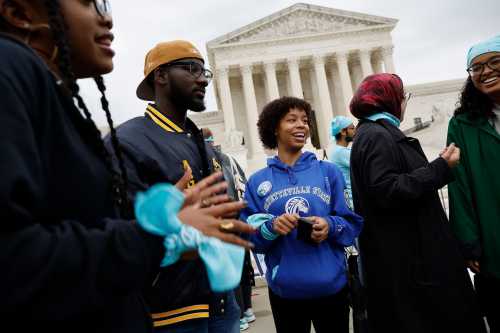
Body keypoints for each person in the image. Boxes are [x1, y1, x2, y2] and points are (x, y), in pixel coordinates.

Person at [0, 1, 253, 332]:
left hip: (209, 304)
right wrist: (162, 234)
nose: (106, 18)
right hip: (172, 310)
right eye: (88, 2)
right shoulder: (10, 66)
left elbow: (86, 224)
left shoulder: (53, 95)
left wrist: (170, 224)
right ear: (20, 13)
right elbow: (15, 256)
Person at [106, 41, 241, 333]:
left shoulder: (201, 143)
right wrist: (168, 217)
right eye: (191, 68)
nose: (203, 78)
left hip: (222, 304)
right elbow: (114, 230)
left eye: (204, 70)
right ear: (161, 76)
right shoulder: (128, 142)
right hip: (170, 310)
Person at [349, 73, 486, 333]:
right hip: (412, 264)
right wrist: (440, 168)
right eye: (403, 97)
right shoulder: (376, 135)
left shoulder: (374, 133)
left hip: (409, 260)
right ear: (387, 99)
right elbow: (387, 189)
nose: (404, 104)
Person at [241, 96, 363, 333]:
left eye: (305, 120)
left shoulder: (329, 172)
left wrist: (329, 225)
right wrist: (271, 228)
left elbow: (350, 223)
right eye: (292, 120)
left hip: (332, 288)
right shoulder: (258, 182)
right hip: (285, 293)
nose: (302, 125)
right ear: (274, 128)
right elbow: (247, 236)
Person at [447, 35, 500, 332]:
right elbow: (460, 186)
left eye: (495, 61)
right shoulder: (463, 124)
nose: (485, 71)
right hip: (494, 246)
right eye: (476, 67)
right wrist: (468, 245)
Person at [201, 128, 256, 331]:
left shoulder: (207, 158)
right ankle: (246, 309)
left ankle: (242, 312)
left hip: (220, 220)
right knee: (241, 267)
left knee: (231, 269)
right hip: (235, 217)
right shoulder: (227, 159)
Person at [329, 116, 356, 207]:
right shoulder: (341, 152)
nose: (355, 131)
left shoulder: (335, 149)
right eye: (352, 128)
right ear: (343, 132)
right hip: (352, 201)